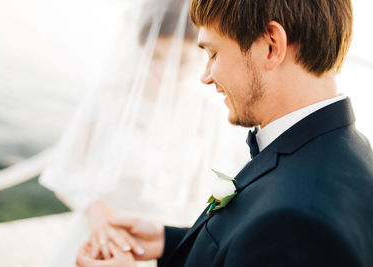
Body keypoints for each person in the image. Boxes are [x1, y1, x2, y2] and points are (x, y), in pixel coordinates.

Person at [76, 0, 373, 266]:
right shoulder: (344, 149)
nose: (206, 76)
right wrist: (170, 242)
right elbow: (251, 243)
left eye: (213, 53)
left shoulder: (300, 223)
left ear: (271, 46)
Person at [39, 0, 246, 266]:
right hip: (100, 237)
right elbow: (63, 171)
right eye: (156, 56)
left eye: (182, 60)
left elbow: (210, 197)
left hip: (164, 244)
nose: (166, 71)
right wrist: (94, 209)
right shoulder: (108, 97)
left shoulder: (209, 114)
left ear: (201, 55)